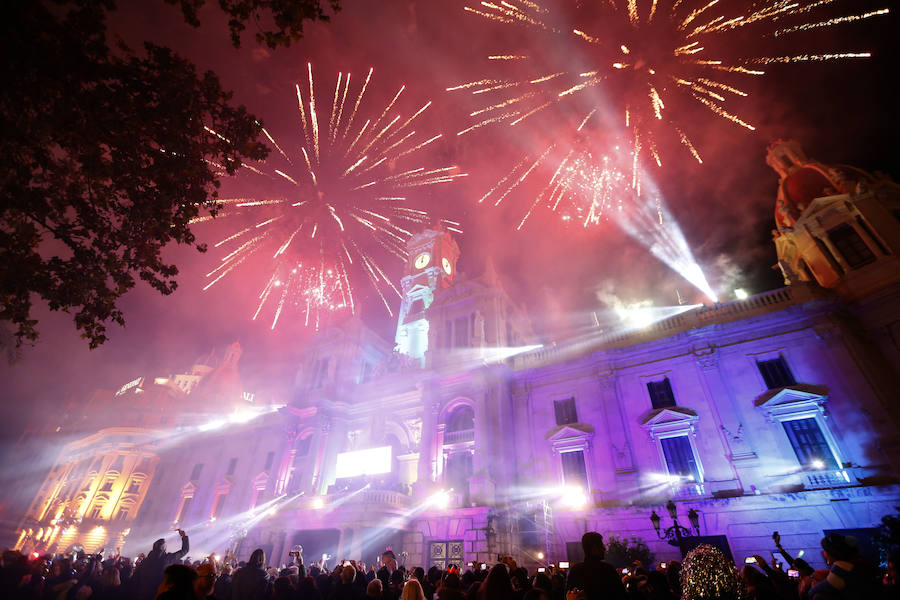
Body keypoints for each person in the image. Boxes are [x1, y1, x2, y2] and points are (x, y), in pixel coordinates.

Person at [809, 533, 881, 599]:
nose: (823, 553)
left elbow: (813, 591)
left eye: (824, 550)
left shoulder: (842, 567)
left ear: (831, 552)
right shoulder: (858, 564)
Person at [565, 532, 626, 600]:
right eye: (601, 545)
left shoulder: (575, 570)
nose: (604, 548)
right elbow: (621, 596)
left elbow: (568, 595)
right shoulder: (607, 570)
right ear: (595, 548)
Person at [135, 529, 190, 600]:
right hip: (159, 594)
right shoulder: (167, 559)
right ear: (164, 548)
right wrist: (184, 536)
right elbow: (185, 550)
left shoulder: (145, 561)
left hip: (143, 594)